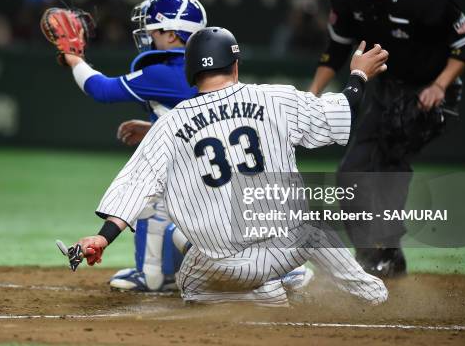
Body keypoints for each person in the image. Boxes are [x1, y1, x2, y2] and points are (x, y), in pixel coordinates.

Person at [67, 27, 390, 306]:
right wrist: (359, 74)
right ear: (234, 65)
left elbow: (136, 185)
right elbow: (342, 108)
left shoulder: (170, 124)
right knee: (314, 232)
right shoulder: (275, 99)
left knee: (190, 286)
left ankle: (262, 297)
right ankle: (371, 293)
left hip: (223, 264)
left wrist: (102, 238)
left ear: (190, 72)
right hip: (285, 250)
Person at [308, 0, 465, 278]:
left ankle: (386, 250)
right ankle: (373, 255)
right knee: (350, 173)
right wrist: (312, 92)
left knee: (389, 159)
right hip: (386, 88)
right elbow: (338, 47)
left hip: (430, 92)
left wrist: (439, 86)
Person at [61, 0, 206, 292]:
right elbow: (191, 117)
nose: (149, 35)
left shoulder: (166, 72)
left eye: (155, 30)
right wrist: (154, 125)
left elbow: (101, 89)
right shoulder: (206, 69)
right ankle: (268, 267)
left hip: (200, 189)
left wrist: (75, 59)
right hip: (223, 176)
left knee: (149, 204)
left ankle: (155, 276)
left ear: (172, 34)